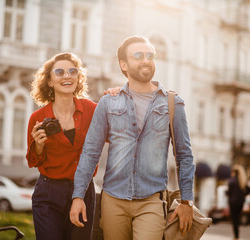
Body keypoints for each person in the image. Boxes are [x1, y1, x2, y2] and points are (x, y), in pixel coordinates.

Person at [70, 36, 196, 240]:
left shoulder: (173, 104)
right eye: (138, 55)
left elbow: (184, 156)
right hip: (113, 199)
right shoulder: (108, 103)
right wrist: (78, 196)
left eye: (150, 55)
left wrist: (187, 201)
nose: (146, 60)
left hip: (151, 201)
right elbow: (91, 152)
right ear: (124, 64)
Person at [27, 52, 99, 240]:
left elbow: (115, 131)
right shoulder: (37, 118)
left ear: (78, 77)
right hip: (49, 193)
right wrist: (39, 146)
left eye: (72, 71)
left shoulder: (92, 109)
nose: (67, 76)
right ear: (49, 81)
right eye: (59, 72)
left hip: (83, 191)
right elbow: (33, 161)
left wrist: (113, 96)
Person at [227, 164, 250, 240]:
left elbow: (229, 192)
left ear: (234, 172)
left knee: (234, 220)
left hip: (233, 203)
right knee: (237, 219)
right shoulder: (242, 181)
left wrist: (225, 192)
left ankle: (236, 237)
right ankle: (237, 236)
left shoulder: (232, 181)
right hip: (240, 203)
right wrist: (243, 194)